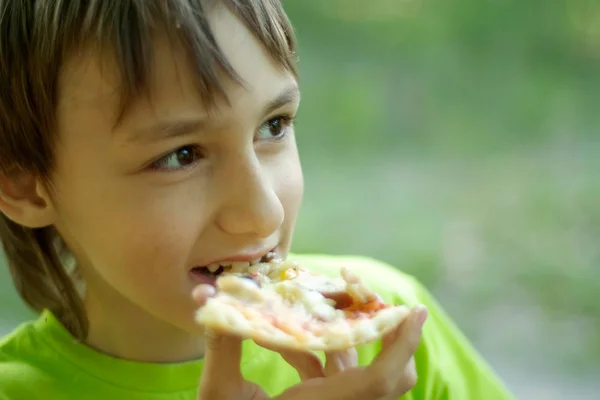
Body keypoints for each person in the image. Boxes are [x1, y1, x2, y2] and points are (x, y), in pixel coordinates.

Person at [0, 1, 515, 399]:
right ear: (23, 185)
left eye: (274, 126)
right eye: (181, 155)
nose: (264, 212)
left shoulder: (395, 340)